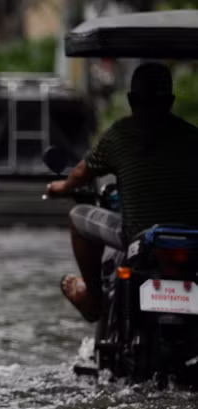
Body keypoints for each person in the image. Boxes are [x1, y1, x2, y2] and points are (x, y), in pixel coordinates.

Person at [46, 62, 198, 322]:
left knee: (77, 216)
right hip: (192, 240)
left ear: (131, 99)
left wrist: (60, 187)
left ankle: (93, 299)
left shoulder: (120, 135)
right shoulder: (192, 137)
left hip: (139, 237)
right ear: (171, 100)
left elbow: (81, 172)